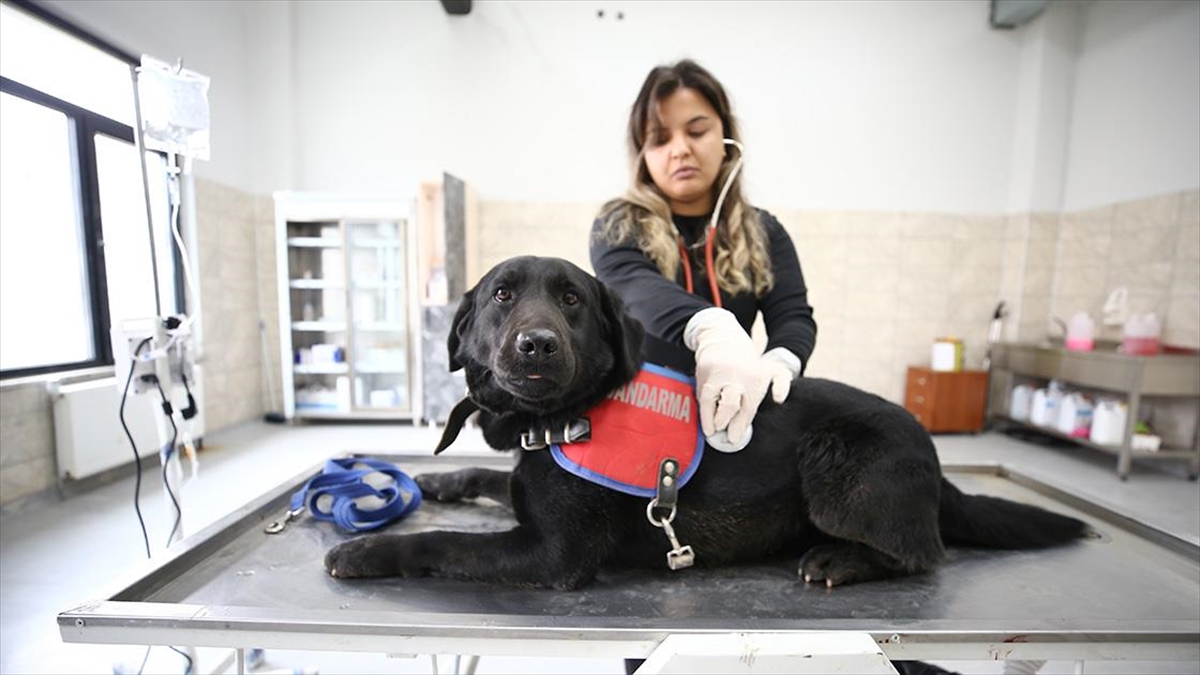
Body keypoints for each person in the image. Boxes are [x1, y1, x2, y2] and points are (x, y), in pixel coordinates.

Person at [590, 59, 817, 452]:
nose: (680, 150)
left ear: (726, 137)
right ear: (642, 155)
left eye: (697, 131)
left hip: (734, 421)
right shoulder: (617, 225)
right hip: (638, 424)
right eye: (660, 139)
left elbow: (793, 316)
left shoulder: (765, 231)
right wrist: (714, 330)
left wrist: (780, 362)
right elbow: (637, 292)